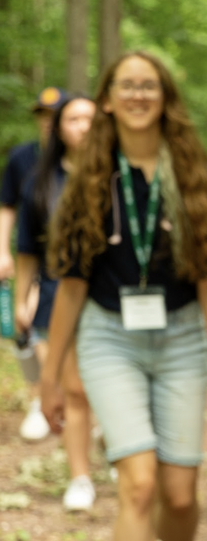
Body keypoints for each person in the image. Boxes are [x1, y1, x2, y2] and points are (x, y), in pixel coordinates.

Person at [39, 50, 207, 541]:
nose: (138, 95)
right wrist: (50, 376)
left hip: (184, 339)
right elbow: (71, 286)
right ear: (107, 100)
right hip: (111, 340)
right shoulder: (87, 182)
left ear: (165, 96)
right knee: (139, 486)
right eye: (126, 85)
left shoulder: (199, 181)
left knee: (180, 496)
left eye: (148, 85)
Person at [15, 92, 98, 511]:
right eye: (73, 119)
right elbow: (27, 249)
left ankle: (121, 448)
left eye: (90, 118)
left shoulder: (116, 176)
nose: (82, 126)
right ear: (59, 129)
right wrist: (20, 298)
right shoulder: (41, 182)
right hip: (57, 296)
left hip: (111, 301)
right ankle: (80, 476)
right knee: (75, 391)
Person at [1, 86, 66, 442]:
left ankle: (61, 394)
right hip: (30, 254)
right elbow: (7, 205)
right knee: (22, 323)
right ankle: (38, 396)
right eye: (43, 116)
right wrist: (2, 251)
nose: (48, 123)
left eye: (55, 117)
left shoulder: (76, 159)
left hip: (67, 262)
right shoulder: (22, 158)